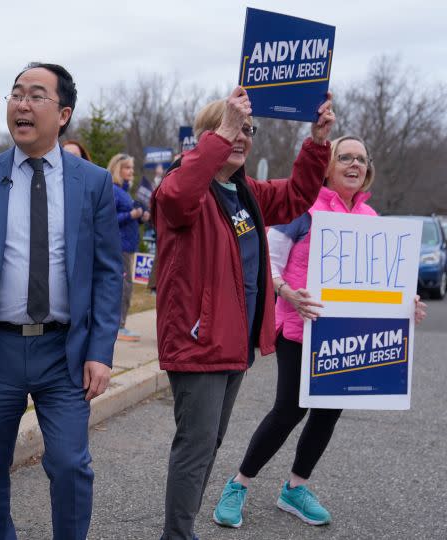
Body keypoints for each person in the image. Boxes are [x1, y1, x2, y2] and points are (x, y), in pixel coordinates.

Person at [0, 62, 122, 540]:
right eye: (15, 93)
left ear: (62, 114)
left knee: (69, 465)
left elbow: (108, 274)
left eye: (35, 95)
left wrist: (101, 352)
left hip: (65, 354)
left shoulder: (94, 182)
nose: (21, 103)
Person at [211, 135, 428, 529]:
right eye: (344, 156)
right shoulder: (303, 209)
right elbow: (268, 261)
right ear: (327, 167)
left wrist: (406, 304)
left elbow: (385, 282)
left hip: (347, 334)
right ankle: (239, 483)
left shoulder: (372, 219)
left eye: (361, 158)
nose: (354, 164)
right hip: (298, 328)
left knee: (328, 412)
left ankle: (295, 487)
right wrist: (287, 293)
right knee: (288, 410)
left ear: (368, 169)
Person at [150, 86, 335, 540]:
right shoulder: (183, 185)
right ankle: (177, 534)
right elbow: (175, 199)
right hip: (199, 342)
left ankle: (183, 528)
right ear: (203, 138)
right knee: (195, 446)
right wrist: (224, 130)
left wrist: (316, 142)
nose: (240, 137)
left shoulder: (244, 192)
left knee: (209, 444)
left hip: (234, 345)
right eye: (228, 128)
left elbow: (295, 197)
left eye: (247, 130)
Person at [106, 153, 149, 341]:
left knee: (127, 286)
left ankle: (121, 325)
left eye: (132, 168)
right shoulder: (113, 191)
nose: (131, 171)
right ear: (117, 168)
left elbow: (130, 217)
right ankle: (117, 327)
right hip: (118, 246)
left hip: (129, 247)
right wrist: (131, 215)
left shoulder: (125, 192)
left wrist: (140, 217)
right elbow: (108, 219)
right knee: (123, 287)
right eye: (127, 168)